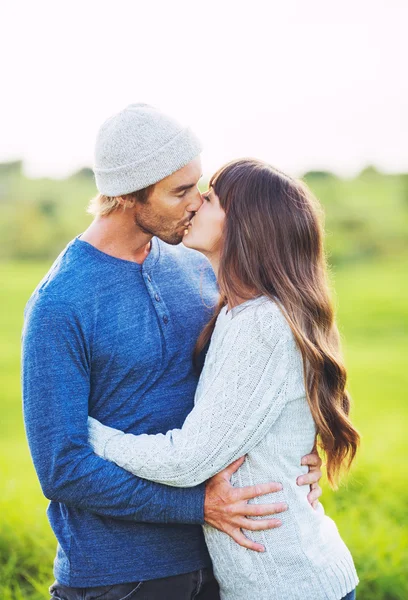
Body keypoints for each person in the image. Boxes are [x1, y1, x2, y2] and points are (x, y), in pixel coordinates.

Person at [22, 105, 322, 600]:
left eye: (198, 185)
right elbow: (62, 467)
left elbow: (263, 369)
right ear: (124, 196)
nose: (196, 203)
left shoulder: (197, 265)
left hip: (222, 559)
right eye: (180, 192)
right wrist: (197, 504)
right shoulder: (61, 302)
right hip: (119, 576)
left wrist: (301, 449)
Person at [87, 158, 361, 600]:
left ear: (245, 225)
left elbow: (188, 460)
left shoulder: (262, 324)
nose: (195, 204)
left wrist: (89, 434)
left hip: (290, 584)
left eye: (210, 197)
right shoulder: (242, 311)